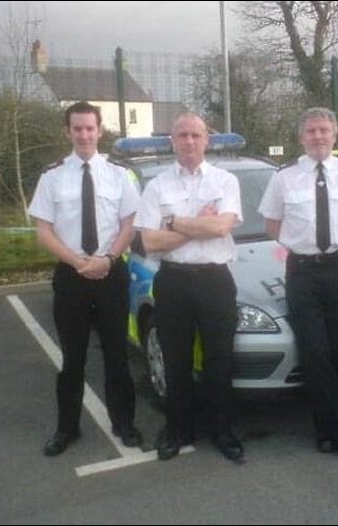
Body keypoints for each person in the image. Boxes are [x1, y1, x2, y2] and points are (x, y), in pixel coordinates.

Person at [258, 107, 338, 456]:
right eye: (311, 131)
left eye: (324, 130)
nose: (318, 136)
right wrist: (301, 245)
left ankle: (335, 426)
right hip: (303, 273)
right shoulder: (284, 179)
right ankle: (334, 427)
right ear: (301, 137)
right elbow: (271, 223)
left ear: (335, 134)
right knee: (314, 350)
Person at [28, 101, 143, 456]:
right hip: (71, 274)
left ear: (100, 130)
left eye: (89, 128)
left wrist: (107, 258)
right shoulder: (52, 175)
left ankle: (124, 423)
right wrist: (78, 262)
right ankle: (67, 428)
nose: (84, 134)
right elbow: (43, 231)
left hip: (111, 272)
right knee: (72, 357)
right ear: (68, 131)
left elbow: (129, 224)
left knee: (115, 355)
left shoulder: (119, 173)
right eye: (77, 128)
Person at [133, 112, 244, 462]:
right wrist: (201, 223)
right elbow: (148, 241)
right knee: (175, 360)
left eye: (196, 135)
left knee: (219, 359)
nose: (189, 141)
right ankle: (178, 430)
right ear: (173, 141)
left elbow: (221, 229)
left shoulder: (226, 180)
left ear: (206, 139)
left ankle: (222, 430)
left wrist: (175, 222)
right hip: (174, 280)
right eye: (182, 135)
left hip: (215, 278)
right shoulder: (157, 186)